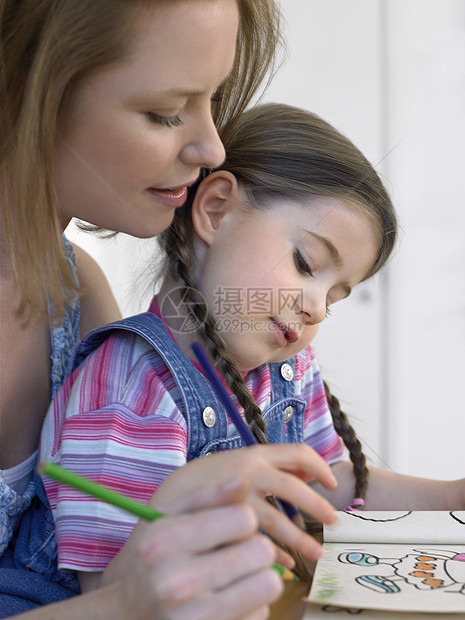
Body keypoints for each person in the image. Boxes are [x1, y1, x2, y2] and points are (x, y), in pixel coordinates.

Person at [39, 102, 464, 591]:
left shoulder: (287, 366)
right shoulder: (130, 387)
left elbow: (322, 485)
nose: (318, 309)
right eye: (306, 264)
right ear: (216, 210)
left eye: (334, 296)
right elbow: (110, 593)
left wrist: (452, 495)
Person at [1, 1, 337, 617]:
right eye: (165, 113)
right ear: (25, 88)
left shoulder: (81, 298)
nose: (211, 147)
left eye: (214, 99)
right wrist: (127, 603)